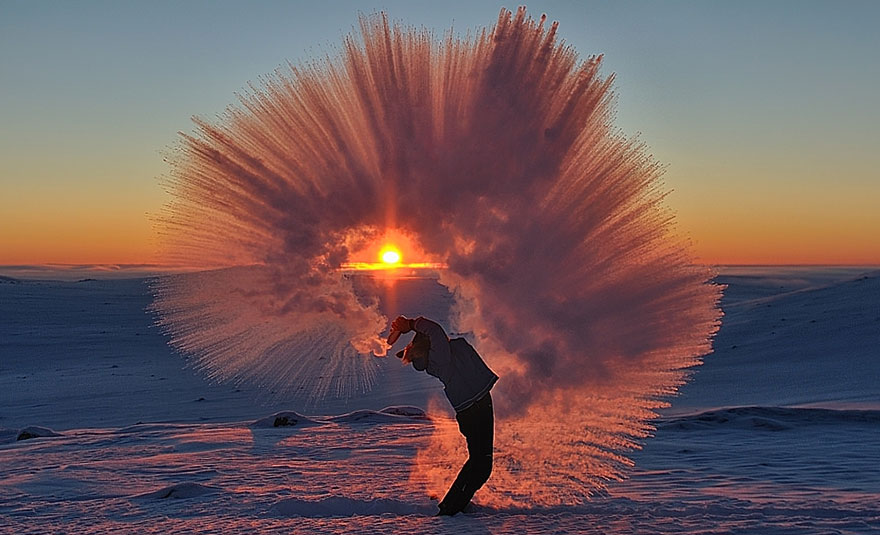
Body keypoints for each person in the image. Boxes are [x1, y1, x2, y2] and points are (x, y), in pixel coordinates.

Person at [389, 315, 499, 516]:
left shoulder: (442, 355)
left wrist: (411, 327)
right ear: (429, 344)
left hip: (475, 406)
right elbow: (436, 331)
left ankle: (454, 505)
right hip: (474, 408)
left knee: (479, 463)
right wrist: (411, 324)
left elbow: (436, 334)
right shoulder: (440, 357)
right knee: (481, 465)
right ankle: (451, 509)